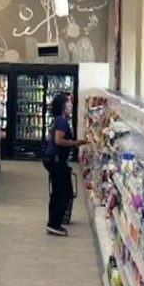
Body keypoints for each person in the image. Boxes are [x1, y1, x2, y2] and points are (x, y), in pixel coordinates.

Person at [43, 93, 86, 236]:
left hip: (52, 159)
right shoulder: (62, 121)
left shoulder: (58, 119)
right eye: (68, 104)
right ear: (63, 105)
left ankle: (53, 222)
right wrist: (76, 143)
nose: (70, 106)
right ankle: (55, 224)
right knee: (65, 192)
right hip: (56, 160)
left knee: (57, 192)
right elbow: (59, 141)